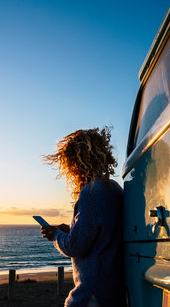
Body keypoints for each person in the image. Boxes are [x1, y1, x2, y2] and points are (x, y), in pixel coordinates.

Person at [41, 127, 124, 307]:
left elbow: (76, 246)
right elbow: (102, 235)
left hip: (91, 296)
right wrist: (70, 231)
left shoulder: (92, 192)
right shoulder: (114, 189)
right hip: (113, 293)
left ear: (77, 163)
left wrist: (55, 235)